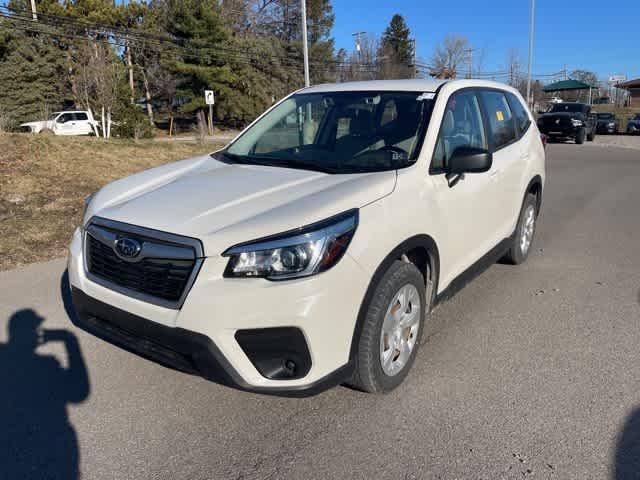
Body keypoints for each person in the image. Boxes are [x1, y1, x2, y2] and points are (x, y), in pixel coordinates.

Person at [0, 309, 90, 480]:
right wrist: (70, 340)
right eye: (36, 329)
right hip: (50, 444)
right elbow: (79, 393)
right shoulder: (46, 365)